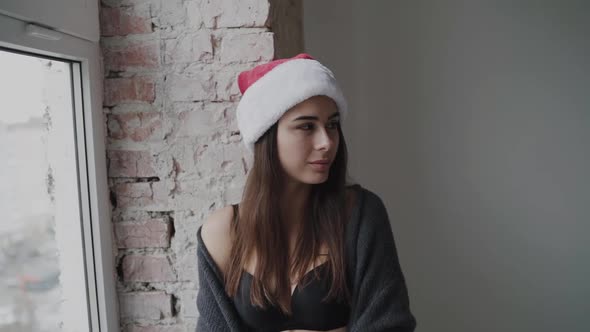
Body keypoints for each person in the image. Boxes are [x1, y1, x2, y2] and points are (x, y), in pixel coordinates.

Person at [196, 53, 417, 332]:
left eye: (332, 125)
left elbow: (391, 324)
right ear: (267, 135)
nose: (326, 142)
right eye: (307, 126)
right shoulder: (222, 232)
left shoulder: (360, 215)